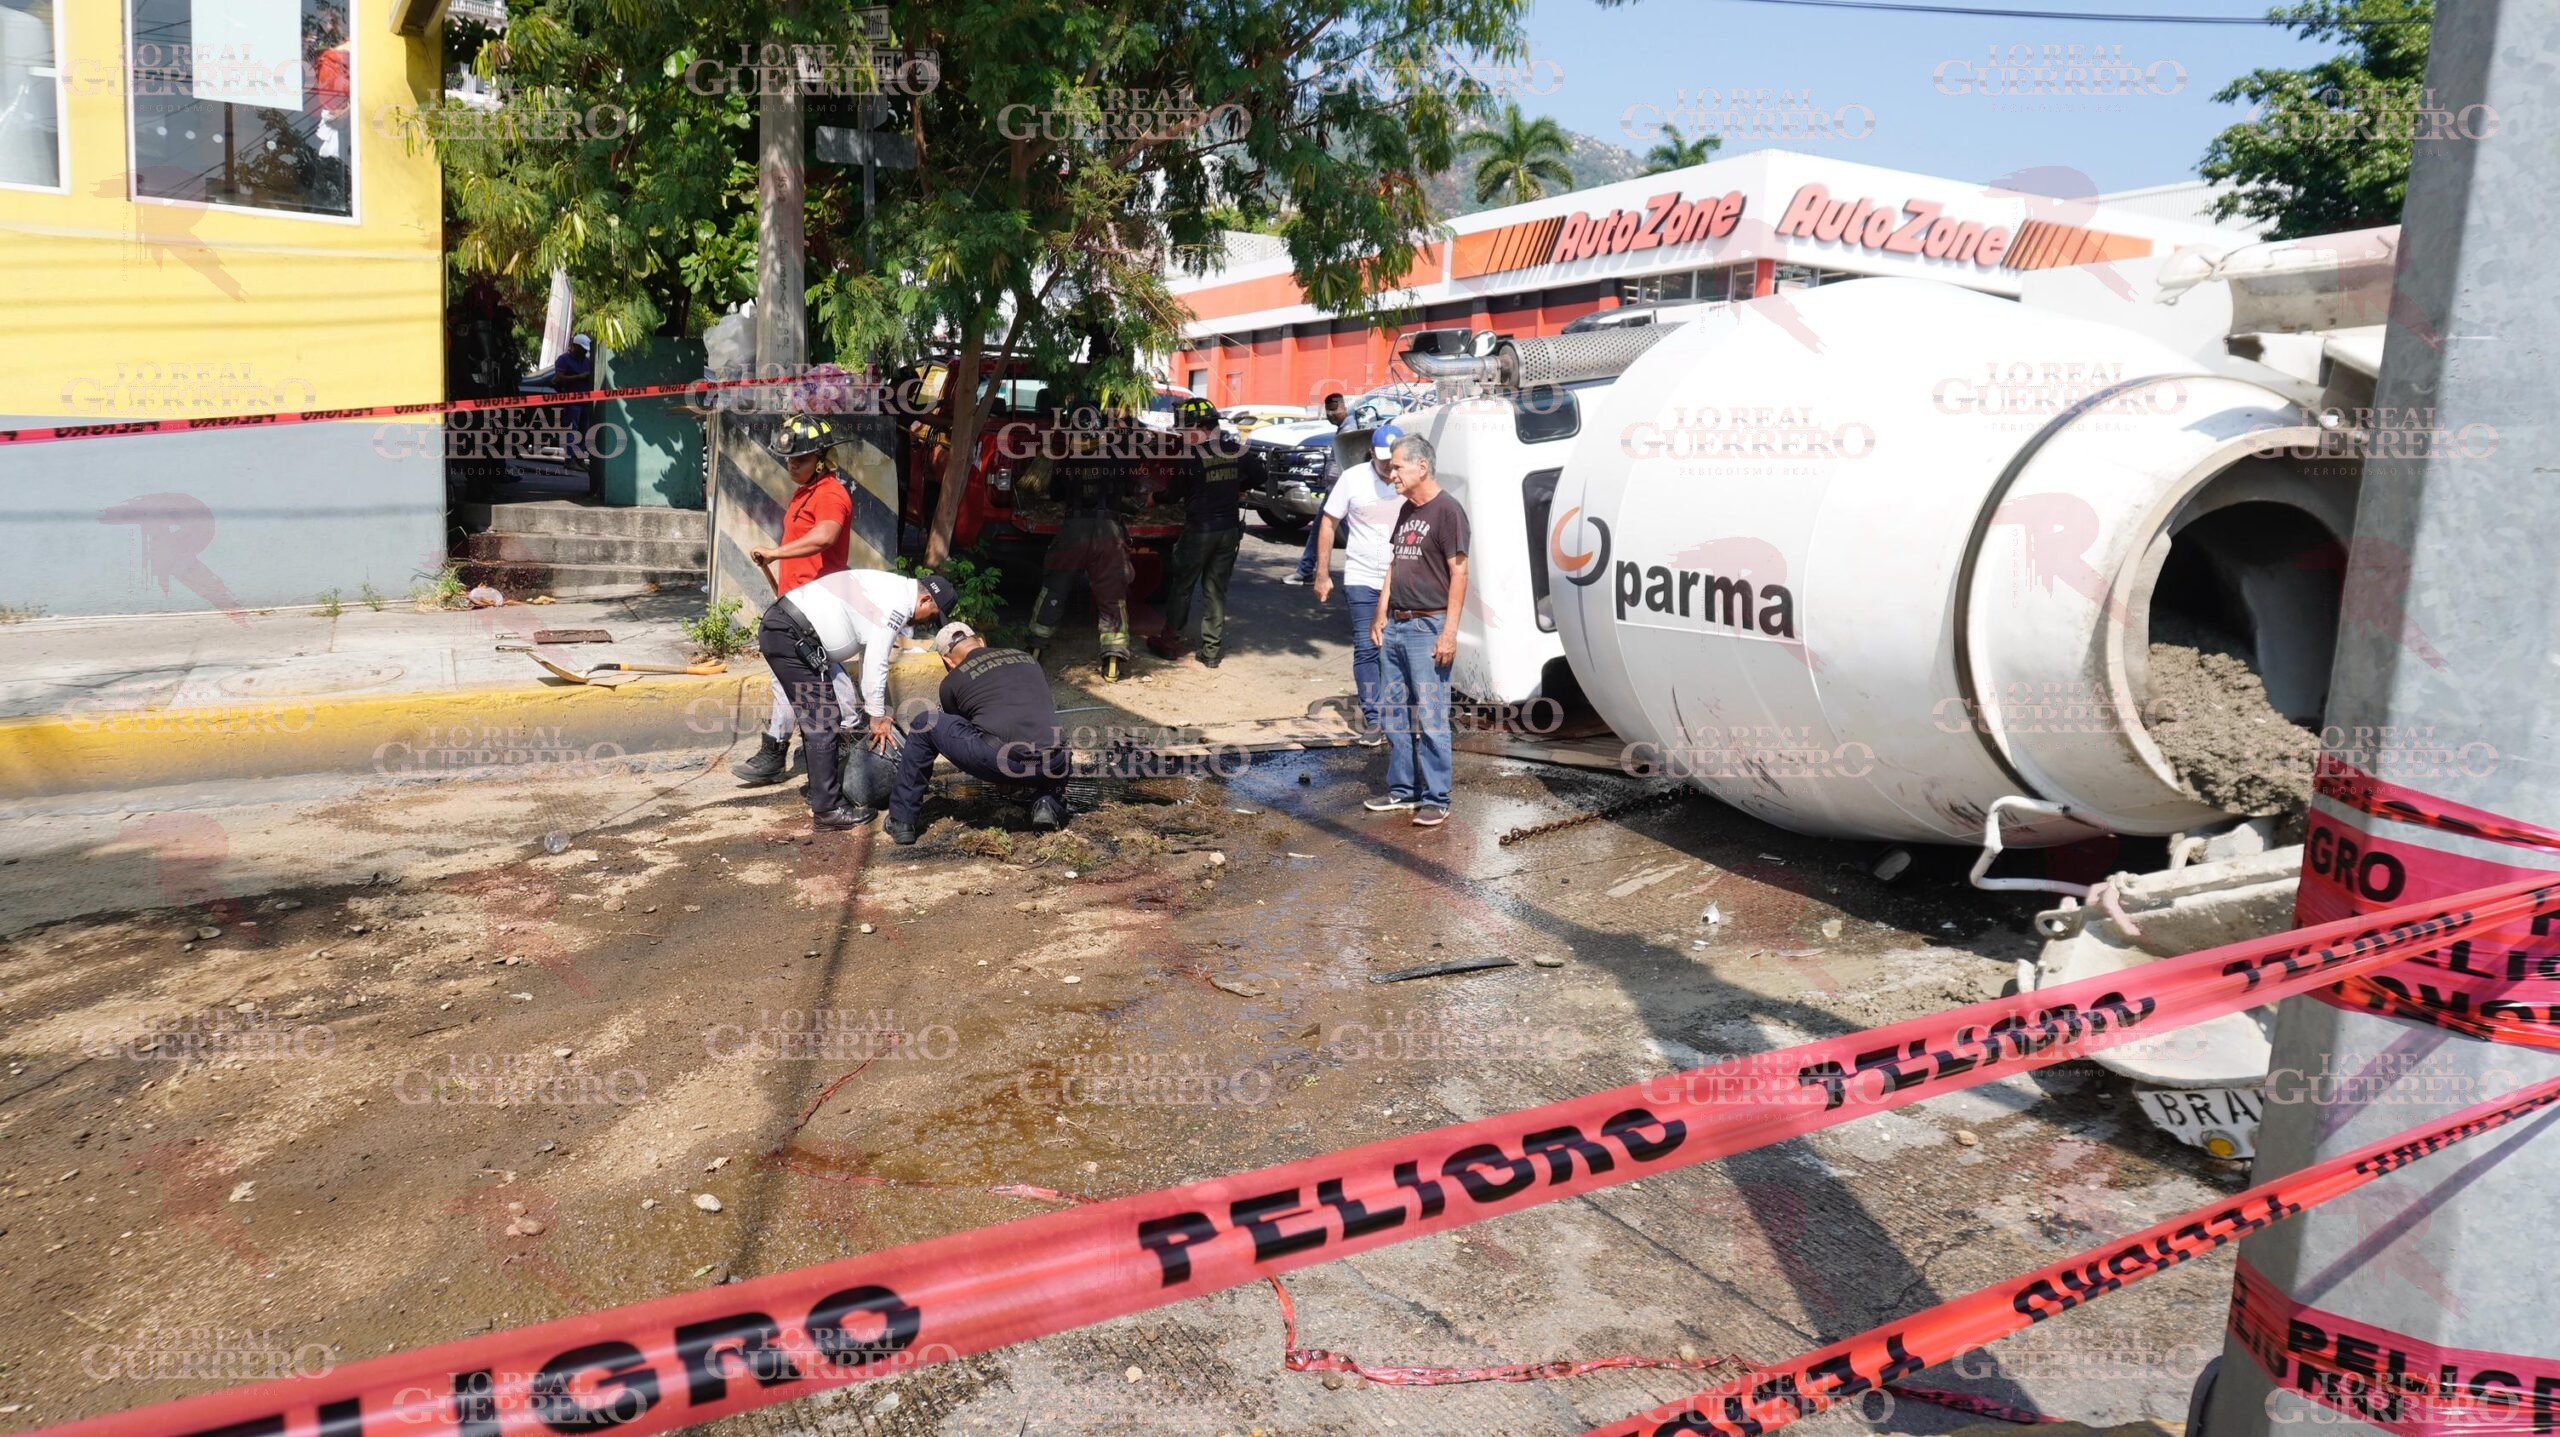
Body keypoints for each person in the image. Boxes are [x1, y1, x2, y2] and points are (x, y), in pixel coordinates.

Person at [757, 569, 954, 831]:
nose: (927, 623)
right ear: (925, 600)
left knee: (821, 718)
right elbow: (877, 661)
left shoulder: (890, 589)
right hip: (791, 636)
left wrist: (876, 708)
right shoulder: (895, 605)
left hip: (789, 632)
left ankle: (823, 795)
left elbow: (868, 655)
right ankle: (827, 810)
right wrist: (877, 716)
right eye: (931, 617)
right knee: (823, 720)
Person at [734, 414, 860, 786]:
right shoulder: (805, 491)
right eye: (789, 459)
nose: (792, 465)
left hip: (819, 605)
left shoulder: (831, 494)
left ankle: (844, 741)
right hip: (798, 602)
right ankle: (798, 746)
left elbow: (824, 537)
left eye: (800, 459)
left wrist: (776, 554)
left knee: (818, 672)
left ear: (820, 458)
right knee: (799, 673)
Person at [885, 624, 1071, 845]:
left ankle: (902, 819)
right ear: (981, 642)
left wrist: (1005, 772)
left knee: (925, 722)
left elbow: (967, 729)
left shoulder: (951, 682)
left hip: (1001, 761)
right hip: (1056, 762)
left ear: (948, 661)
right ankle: (1046, 802)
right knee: (1049, 742)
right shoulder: (1026, 657)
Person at [1366, 434, 1467, 828]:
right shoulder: (1408, 509)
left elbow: (1460, 572)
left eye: (1397, 466)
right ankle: (1402, 791)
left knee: (1430, 714)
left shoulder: (1448, 512)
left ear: (1421, 467)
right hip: (1397, 624)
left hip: (1429, 626)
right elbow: (1395, 563)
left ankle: (1436, 797)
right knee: (1394, 712)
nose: (1392, 473)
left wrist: (1450, 633)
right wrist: (1381, 614)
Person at [1027, 404, 1139, 682]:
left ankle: (1036, 648)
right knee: (1112, 594)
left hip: (1073, 531)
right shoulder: (1115, 456)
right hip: (1108, 533)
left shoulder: (1067, 461)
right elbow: (1134, 469)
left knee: (1055, 587)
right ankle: (1112, 660)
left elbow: (1054, 495)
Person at [1312, 423, 1405, 746]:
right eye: (1382, 461)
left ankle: (1400, 713)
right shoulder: (1353, 479)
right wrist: (1322, 573)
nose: (1387, 468)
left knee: (1398, 648)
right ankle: (1375, 719)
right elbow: (1328, 521)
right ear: (1371, 453)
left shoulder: (1408, 479)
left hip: (1403, 579)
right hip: (1363, 577)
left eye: (1392, 462)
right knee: (1368, 647)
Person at [1150, 399, 1247, 668]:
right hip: (1228, 531)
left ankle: (1169, 640)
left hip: (1200, 531)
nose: (1182, 436)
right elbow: (1257, 474)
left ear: (1202, 428)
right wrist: (1237, 487)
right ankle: (1211, 653)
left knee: (1182, 586)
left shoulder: (1191, 457)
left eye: (1184, 431)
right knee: (1215, 591)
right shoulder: (1236, 451)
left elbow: (1172, 494)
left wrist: (1153, 499)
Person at [1285, 391, 1351, 586]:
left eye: (1335, 410)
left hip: (1340, 491)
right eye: (1328, 411)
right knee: (1320, 529)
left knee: (1350, 532)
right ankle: (1305, 570)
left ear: (1344, 408)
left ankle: (1306, 571)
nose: (1331, 414)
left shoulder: (1348, 430)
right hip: (1334, 490)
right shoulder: (1342, 428)